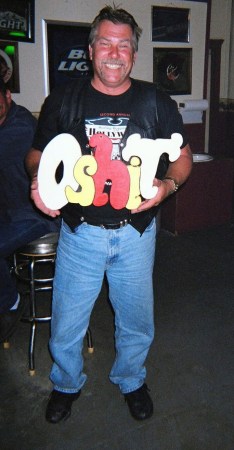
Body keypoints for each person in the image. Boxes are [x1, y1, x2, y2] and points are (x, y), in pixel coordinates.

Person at [25, 5, 193, 424]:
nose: (114, 53)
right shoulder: (64, 99)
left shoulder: (155, 101)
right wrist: (38, 179)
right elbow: (37, 155)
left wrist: (167, 187)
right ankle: (66, 383)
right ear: (91, 49)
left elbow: (183, 157)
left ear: (133, 54)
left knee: (136, 318)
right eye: (105, 43)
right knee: (66, 322)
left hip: (136, 232)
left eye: (123, 45)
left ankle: (132, 379)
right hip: (80, 232)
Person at [0, 76, 60, 343]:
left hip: (38, 215)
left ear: (8, 96)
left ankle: (9, 302)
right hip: (12, 210)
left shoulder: (20, 127)